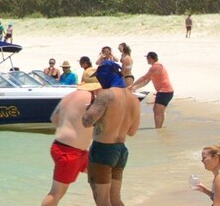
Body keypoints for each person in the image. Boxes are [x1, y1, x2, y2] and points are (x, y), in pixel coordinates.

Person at [83, 61, 139, 206]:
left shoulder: (106, 95)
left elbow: (87, 121)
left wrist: (89, 107)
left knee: (102, 201)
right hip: (121, 150)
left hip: (103, 149)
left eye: (99, 76)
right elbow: (132, 131)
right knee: (115, 200)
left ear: (105, 75)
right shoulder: (133, 98)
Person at [42, 81, 99, 206]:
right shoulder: (92, 98)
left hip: (68, 148)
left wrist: (69, 130)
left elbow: (54, 118)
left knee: (100, 175)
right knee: (56, 192)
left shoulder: (69, 96)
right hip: (69, 152)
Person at [130, 51, 174, 129]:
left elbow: (144, 77)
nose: (147, 60)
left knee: (157, 111)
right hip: (166, 91)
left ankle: (158, 129)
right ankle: (159, 128)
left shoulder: (156, 67)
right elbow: (146, 81)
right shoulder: (156, 67)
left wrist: (132, 85)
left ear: (150, 58)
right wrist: (134, 88)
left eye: (147, 58)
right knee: (159, 111)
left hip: (164, 91)